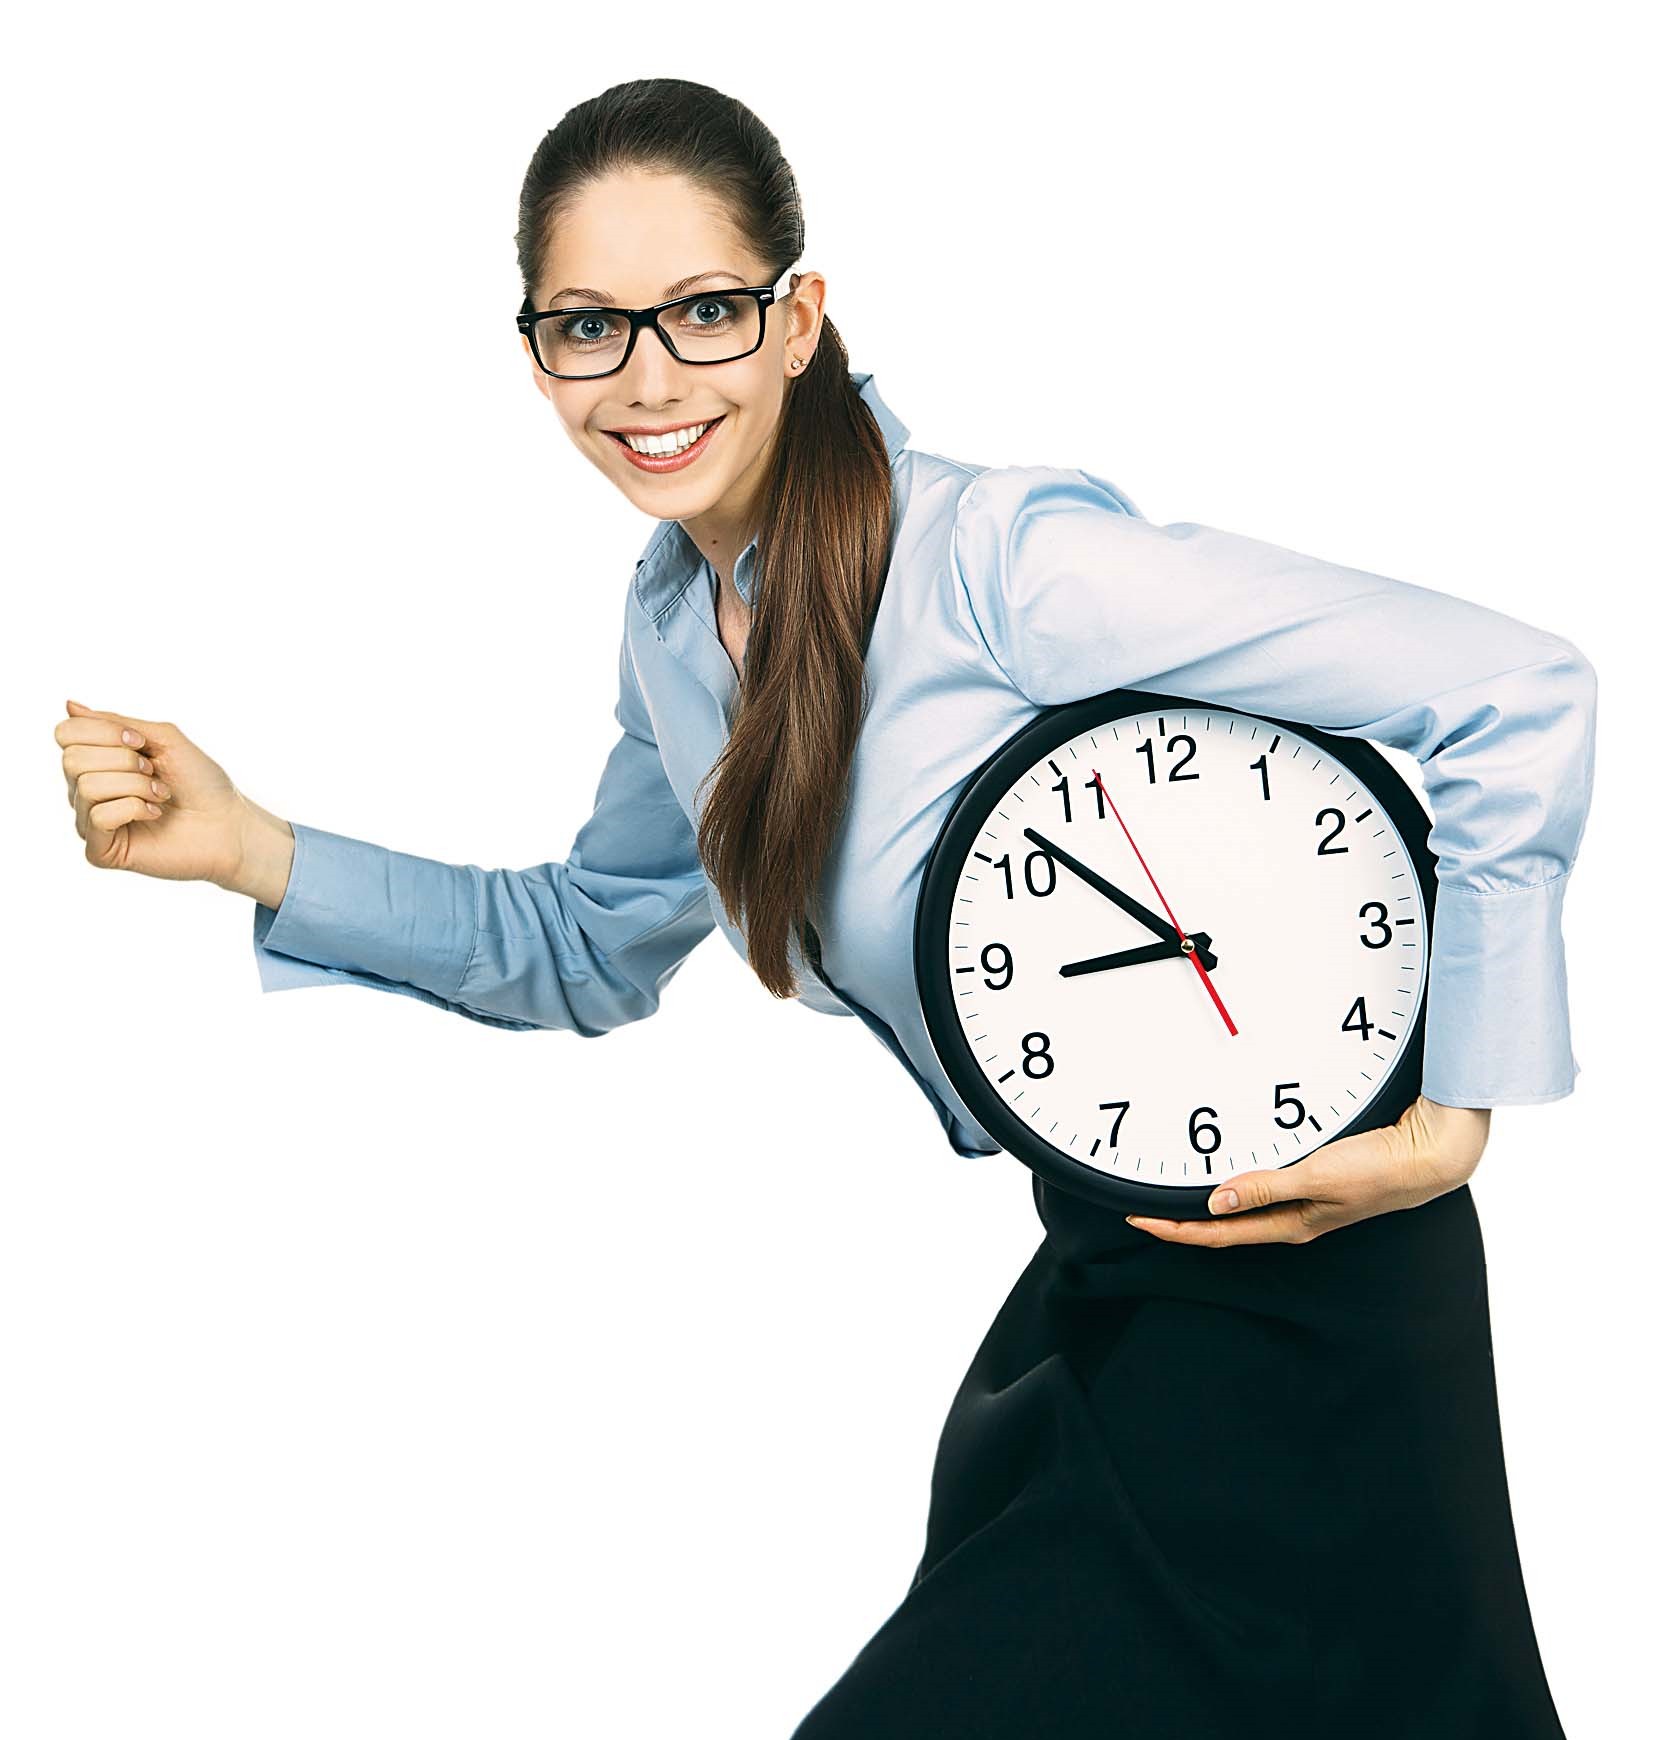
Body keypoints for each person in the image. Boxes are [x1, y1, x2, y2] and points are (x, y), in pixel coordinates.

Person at [54, 77, 1593, 1739]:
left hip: (1310, 1287)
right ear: (537, 359)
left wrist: (1458, 1112)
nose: (650, 379)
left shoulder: (996, 560)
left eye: (705, 310)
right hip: (1106, 1274)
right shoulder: (673, 636)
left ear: (799, 321)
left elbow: (1511, 691)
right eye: (590, 326)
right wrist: (255, 848)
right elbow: (583, 945)